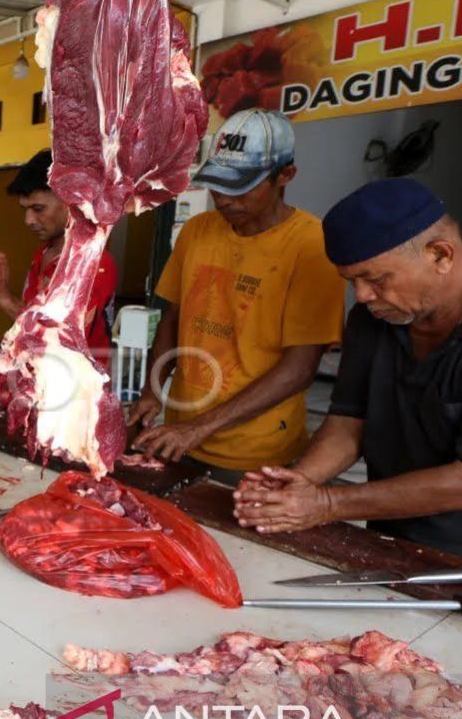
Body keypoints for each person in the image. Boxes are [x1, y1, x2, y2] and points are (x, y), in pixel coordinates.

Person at [235, 179, 462, 556]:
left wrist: (326, 504)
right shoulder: (372, 321)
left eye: (375, 278)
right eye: (351, 281)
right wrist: (296, 485)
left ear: (440, 255)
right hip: (387, 539)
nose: (361, 296)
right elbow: (347, 424)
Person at [126, 108, 344, 481]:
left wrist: (200, 427)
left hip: (254, 452)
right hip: (179, 436)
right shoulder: (197, 231)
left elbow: (300, 369)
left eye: (240, 186)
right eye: (217, 184)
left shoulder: (312, 245)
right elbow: (172, 319)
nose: (224, 198)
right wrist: (152, 390)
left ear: (285, 176)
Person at [0, 149, 119, 366]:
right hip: (39, 382)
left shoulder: (94, 263)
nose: (28, 220)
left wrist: (4, 298)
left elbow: (60, 337)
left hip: (78, 390)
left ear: (70, 202)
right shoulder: (43, 254)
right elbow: (31, 319)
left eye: (38, 209)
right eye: (25, 210)